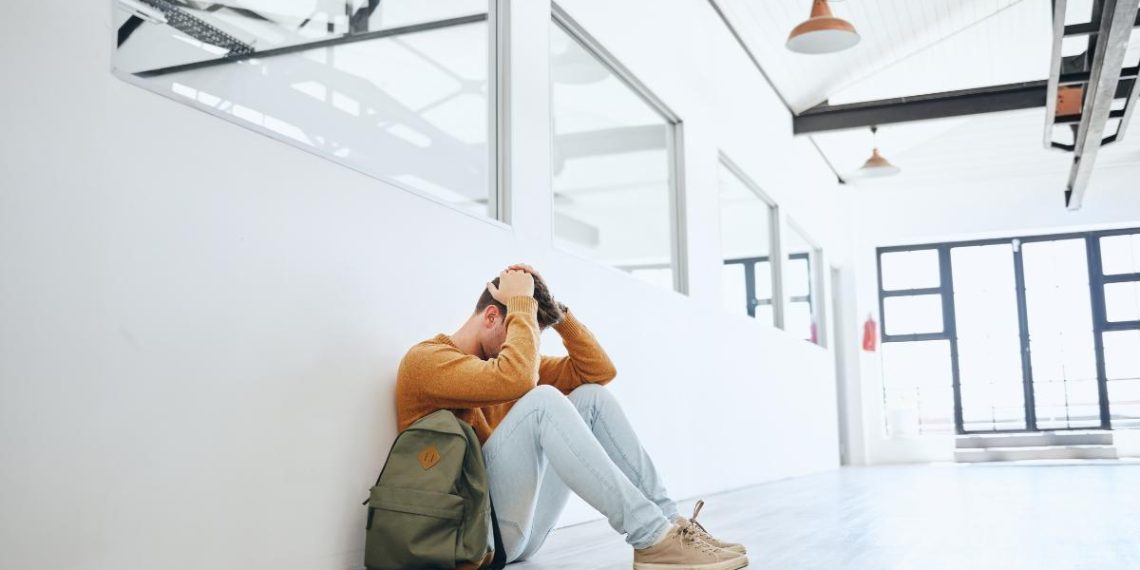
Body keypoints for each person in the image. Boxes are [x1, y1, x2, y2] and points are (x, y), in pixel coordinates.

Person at [396, 264, 748, 570]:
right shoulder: (427, 361)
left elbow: (598, 371)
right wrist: (521, 304)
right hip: (471, 536)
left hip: (517, 533)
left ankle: (672, 530)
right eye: (520, 329)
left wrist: (555, 312)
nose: (524, 343)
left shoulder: (505, 365)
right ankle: (650, 536)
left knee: (591, 398)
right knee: (543, 400)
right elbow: (519, 377)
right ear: (491, 317)